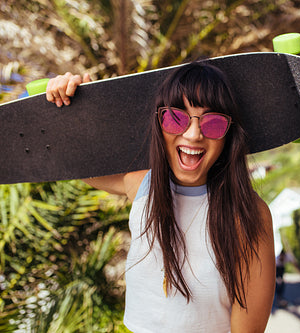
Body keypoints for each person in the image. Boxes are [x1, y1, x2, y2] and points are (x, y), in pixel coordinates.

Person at [45, 63, 276, 332]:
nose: (193, 134)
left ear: (228, 135)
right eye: (176, 118)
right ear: (159, 122)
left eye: (213, 123)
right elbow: (77, 164)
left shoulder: (247, 213)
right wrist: (77, 102)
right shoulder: (143, 186)